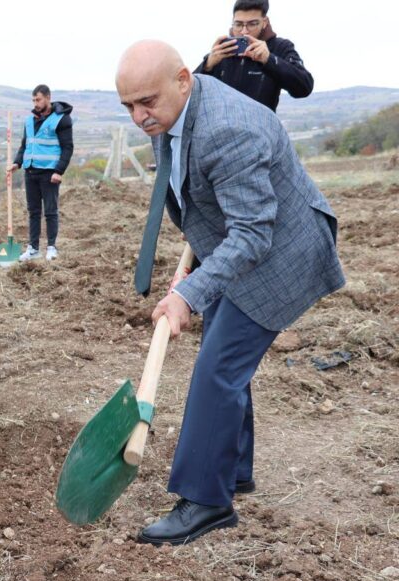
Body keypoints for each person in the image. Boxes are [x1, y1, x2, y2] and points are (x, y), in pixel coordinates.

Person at [115, 41, 344, 546]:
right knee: (224, 360)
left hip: (280, 255)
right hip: (238, 246)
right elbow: (202, 196)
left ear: (181, 78)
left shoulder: (227, 129)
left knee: (218, 369)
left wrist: (188, 294)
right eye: (128, 105)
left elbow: (253, 235)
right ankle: (234, 472)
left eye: (146, 102)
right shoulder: (174, 109)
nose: (138, 117)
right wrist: (195, 265)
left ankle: (206, 500)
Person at [197, 0, 313, 112]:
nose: (244, 31)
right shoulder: (221, 50)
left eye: (252, 24)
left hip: (261, 130)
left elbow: (304, 87)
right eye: (238, 24)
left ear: (265, 22)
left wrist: (269, 59)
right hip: (221, 130)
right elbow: (187, 93)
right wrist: (207, 66)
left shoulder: (280, 47)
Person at [7, 84, 73, 262]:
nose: (35, 103)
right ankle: (33, 248)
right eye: (33, 100)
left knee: (50, 211)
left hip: (49, 173)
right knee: (33, 211)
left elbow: (68, 147)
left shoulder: (62, 119)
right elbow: (25, 145)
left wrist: (59, 170)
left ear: (48, 98)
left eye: (39, 99)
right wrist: (17, 162)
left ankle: (51, 247)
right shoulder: (29, 121)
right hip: (30, 171)